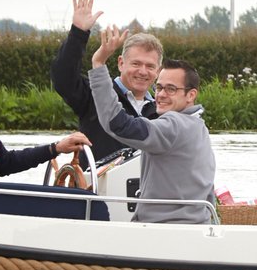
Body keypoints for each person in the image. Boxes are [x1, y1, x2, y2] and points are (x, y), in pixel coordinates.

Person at [88, 27, 215, 224]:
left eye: (171, 89)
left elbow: (117, 124)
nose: (162, 94)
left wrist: (98, 64)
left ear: (191, 95)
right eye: (160, 87)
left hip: (164, 231)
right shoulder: (199, 126)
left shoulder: (174, 125)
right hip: (196, 226)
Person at [50, 0, 163, 164]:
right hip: (96, 188)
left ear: (158, 71)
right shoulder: (94, 93)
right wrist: (78, 33)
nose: (142, 71)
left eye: (150, 66)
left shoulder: (163, 108)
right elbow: (63, 78)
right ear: (120, 63)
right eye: (136, 64)